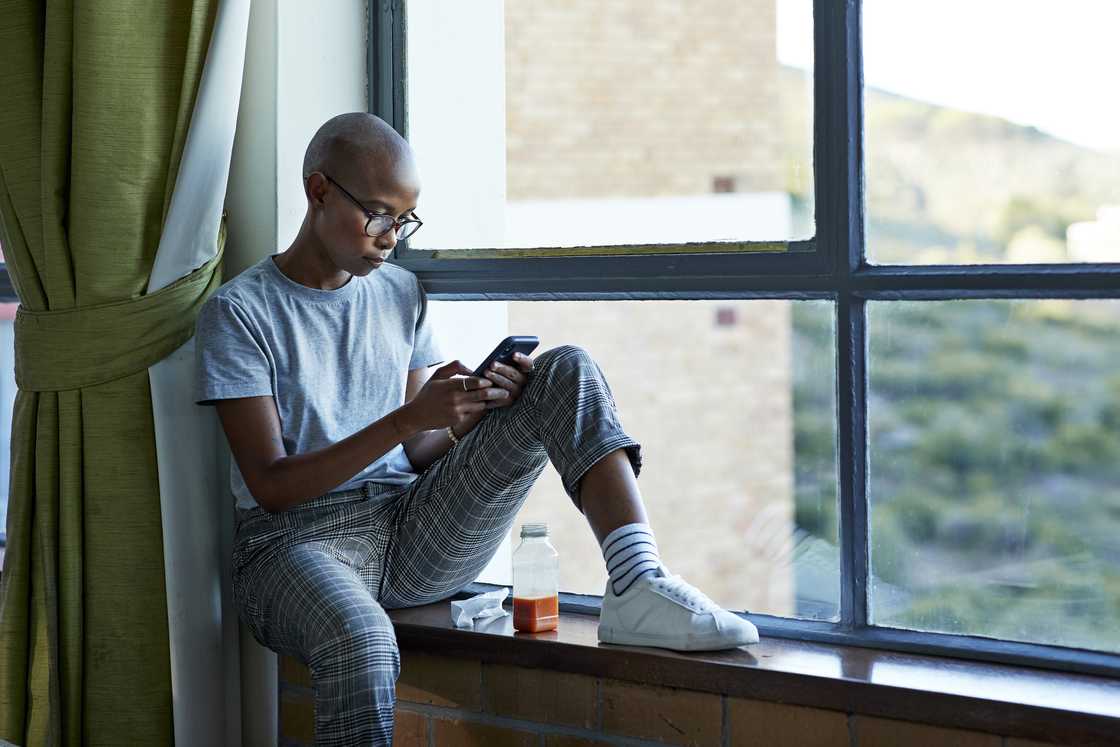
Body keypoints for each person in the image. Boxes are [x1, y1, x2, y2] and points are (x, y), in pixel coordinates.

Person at [194, 112, 759, 745]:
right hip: (289, 547)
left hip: (406, 530)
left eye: (403, 222)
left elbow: (411, 452)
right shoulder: (239, 313)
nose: (390, 239)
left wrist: (463, 414)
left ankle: (637, 582)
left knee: (563, 369)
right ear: (318, 191)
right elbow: (270, 485)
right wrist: (411, 416)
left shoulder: (400, 295)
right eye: (378, 215)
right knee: (361, 639)